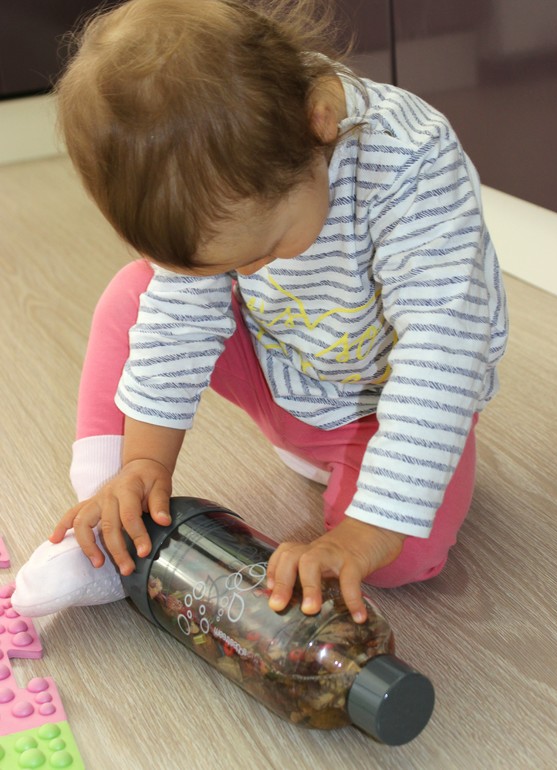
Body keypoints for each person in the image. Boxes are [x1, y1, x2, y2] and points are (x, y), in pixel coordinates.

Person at [12, 0, 508, 623]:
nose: (249, 275)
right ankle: (114, 521)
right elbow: (178, 325)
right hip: (280, 366)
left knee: (401, 558)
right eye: (224, 267)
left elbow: (443, 352)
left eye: (264, 250)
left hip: (383, 403)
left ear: (318, 123)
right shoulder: (221, 175)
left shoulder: (412, 162)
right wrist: (143, 463)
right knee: (135, 297)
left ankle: (350, 466)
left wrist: (370, 529)